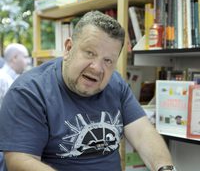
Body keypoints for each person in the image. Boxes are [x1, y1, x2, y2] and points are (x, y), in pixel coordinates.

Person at [0, 11, 175, 171]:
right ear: (68, 49)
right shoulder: (28, 92)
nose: (97, 68)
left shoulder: (115, 83)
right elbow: (20, 161)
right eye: (90, 53)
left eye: (108, 61)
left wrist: (165, 168)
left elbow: (143, 133)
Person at [0, 43, 29, 171]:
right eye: (26, 57)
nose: (28, 61)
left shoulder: (13, 79)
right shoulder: (2, 79)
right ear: (15, 57)